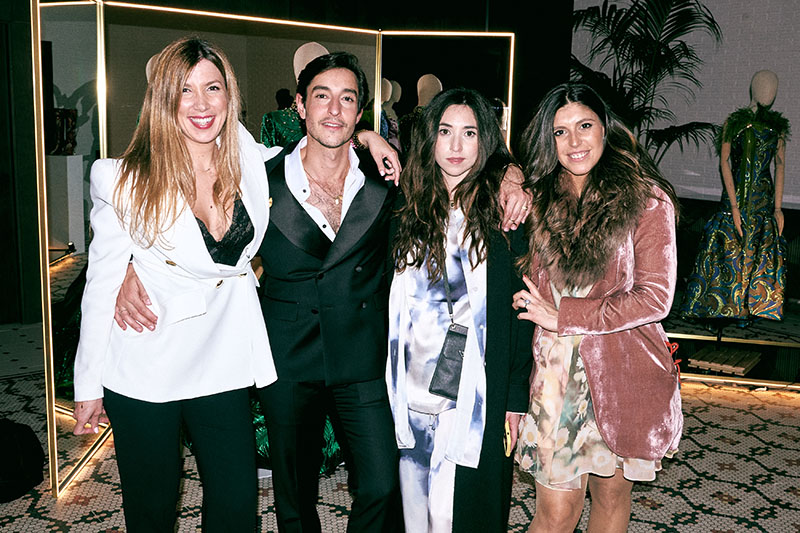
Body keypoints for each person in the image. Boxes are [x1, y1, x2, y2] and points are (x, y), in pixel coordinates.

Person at [114, 53, 530, 533]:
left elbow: (469, 169)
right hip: (288, 358)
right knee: (294, 496)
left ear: (359, 112)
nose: (334, 110)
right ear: (300, 105)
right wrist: (132, 263)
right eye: (321, 97)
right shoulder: (259, 176)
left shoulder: (388, 179)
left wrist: (510, 176)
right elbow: (195, 221)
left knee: (382, 484)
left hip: (363, 357)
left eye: (347, 99)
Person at [71, 37, 278, 531]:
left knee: (236, 503)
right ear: (163, 98)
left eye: (213, 87)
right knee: (153, 508)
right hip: (148, 360)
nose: (201, 104)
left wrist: (367, 138)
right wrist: (87, 385)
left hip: (222, 357)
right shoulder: (123, 179)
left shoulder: (248, 156)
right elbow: (100, 284)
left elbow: (312, 151)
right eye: (185, 90)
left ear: (229, 95)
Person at [511, 83, 683, 533]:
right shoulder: (538, 200)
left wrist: (565, 315)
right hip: (555, 374)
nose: (574, 141)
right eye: (560, 132)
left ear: (605, 128)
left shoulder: (646, 200)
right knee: (555, 515)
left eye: (584, 126)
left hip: (624, 370)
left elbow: (655, 297)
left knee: (611, 497)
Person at [386, 87, 533, 532]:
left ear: (484, 140)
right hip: (408, 379)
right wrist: (370, 137)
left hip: (473, 385)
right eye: (445, 131)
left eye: (469, 133)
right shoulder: (404, 205)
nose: (455, 145)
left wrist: (514, 396)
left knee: (460, 507)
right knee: (411, 500)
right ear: (429, 137)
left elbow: (519, 313)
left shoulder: (504, 215)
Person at [680, 69, 789, 323]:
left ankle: (749, 307)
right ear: (754, 88)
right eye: (765, 86)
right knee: (728, 248)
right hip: (736, 197)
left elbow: (780, 165)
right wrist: (734, 205)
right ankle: (721, 305)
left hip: (764, 200)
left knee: (758, 252)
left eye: (773, 87)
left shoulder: (777, 128)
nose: (769, 92)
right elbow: (725, 162)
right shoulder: (735, 122)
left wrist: (778, 208)